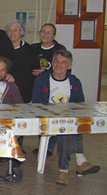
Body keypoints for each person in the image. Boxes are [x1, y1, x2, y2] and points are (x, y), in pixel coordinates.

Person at [32, 50, 100, 186]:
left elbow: (80, 104)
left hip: (66, 119)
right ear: (52, 63)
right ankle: (74, 163)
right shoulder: (43, 79)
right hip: (47, 118)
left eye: (63, 62)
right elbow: (36, 102)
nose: (59, 65)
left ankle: (67, 168)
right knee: (65, 127)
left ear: (69, 66)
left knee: (69, 125)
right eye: (56, 61)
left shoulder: (74, 82)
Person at [31, 23, 66, 156]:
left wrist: (45, 72)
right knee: (41, 116)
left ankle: (50, 146)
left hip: (54, 87)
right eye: (43, 31)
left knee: (53, 116)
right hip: (37, 86)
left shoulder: (59, 49)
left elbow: (63, 66)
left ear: (54, 35)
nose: (45, 35)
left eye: (49, 32)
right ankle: (42, 144)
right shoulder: (33, 48)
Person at [5, 20, 39, 103]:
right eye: (10, 30)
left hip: (24, 92)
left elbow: (35, 72)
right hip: (5, 92)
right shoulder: (2, 49)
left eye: (15, 30)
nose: (12, 33)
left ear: (21, 32)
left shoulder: (30, 50)